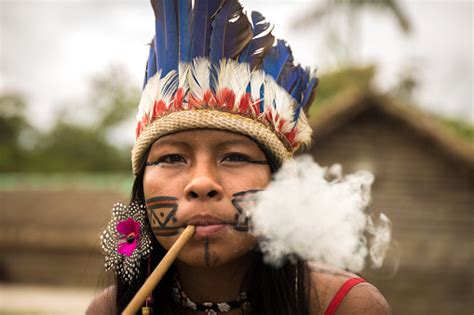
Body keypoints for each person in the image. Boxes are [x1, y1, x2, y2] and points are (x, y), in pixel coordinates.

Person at [88, 0, 391, 314]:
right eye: (172, 159)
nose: (202, 183)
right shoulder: (108, 309)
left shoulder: (346, 306)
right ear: (141, 188)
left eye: (234, 157)